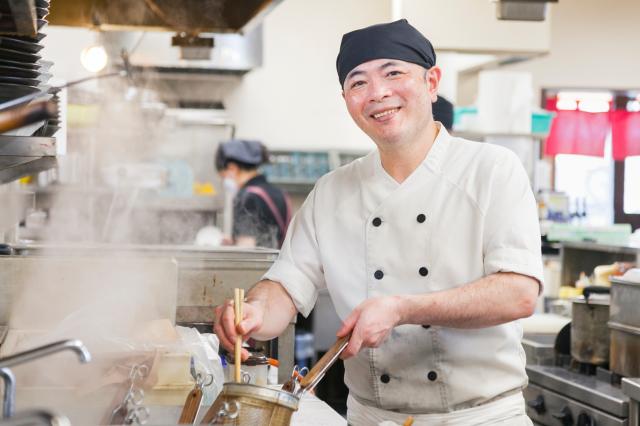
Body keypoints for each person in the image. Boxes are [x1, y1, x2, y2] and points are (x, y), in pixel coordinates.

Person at [214, 19, 542, 425]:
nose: (378, 93)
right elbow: (285, 285)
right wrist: (256, 313)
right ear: (347, 99)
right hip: (372, 417)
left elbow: (519, 292)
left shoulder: (490, 170)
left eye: (393, 73)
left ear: (431, 81)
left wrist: (401, 308)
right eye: (358, 83)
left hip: (480, 418)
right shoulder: (332, 192)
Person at [215, 139, 291, 249]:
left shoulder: (247, 197)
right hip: (279, 262)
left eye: (223, 176)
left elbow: (246, 249)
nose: (224, 181)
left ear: (232, 168)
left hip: (261, 266)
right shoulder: (281, 193)